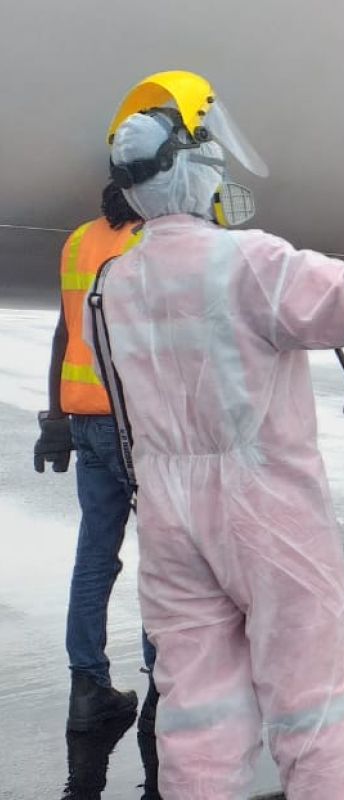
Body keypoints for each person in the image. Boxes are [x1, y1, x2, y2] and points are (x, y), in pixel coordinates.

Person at [95, 71, 344, 799]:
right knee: (312, 702)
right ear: (193, 168)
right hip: (264, 514)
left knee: (196, 707)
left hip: (167, 511)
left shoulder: (114, 282)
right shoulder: (245, 261)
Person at [34, 182, 157, 732]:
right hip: (132, 424)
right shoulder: (148, 244)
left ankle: (88, 688)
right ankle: (167, 685)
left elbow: (65, 330)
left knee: (95, 554)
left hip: (82, 416)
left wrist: (55, 419)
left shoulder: (79, 241)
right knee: (165, 554)